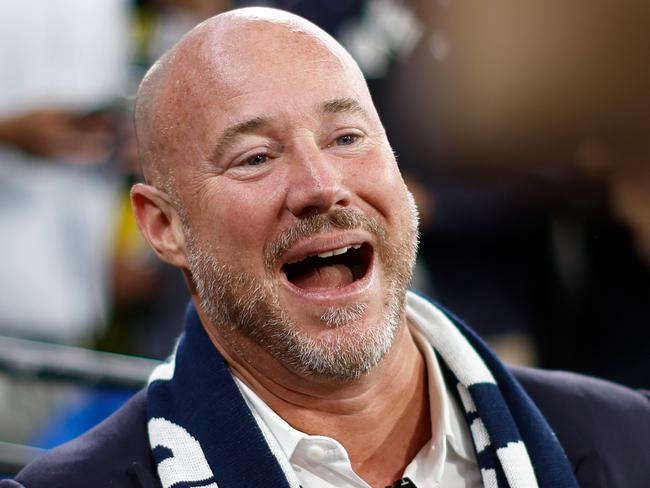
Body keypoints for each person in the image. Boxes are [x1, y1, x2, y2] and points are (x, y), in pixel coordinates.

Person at [4, 7, 649, 488]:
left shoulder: (627, 444)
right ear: (164, 227)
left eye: (346, 138)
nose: (321, 186)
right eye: (255, 157)